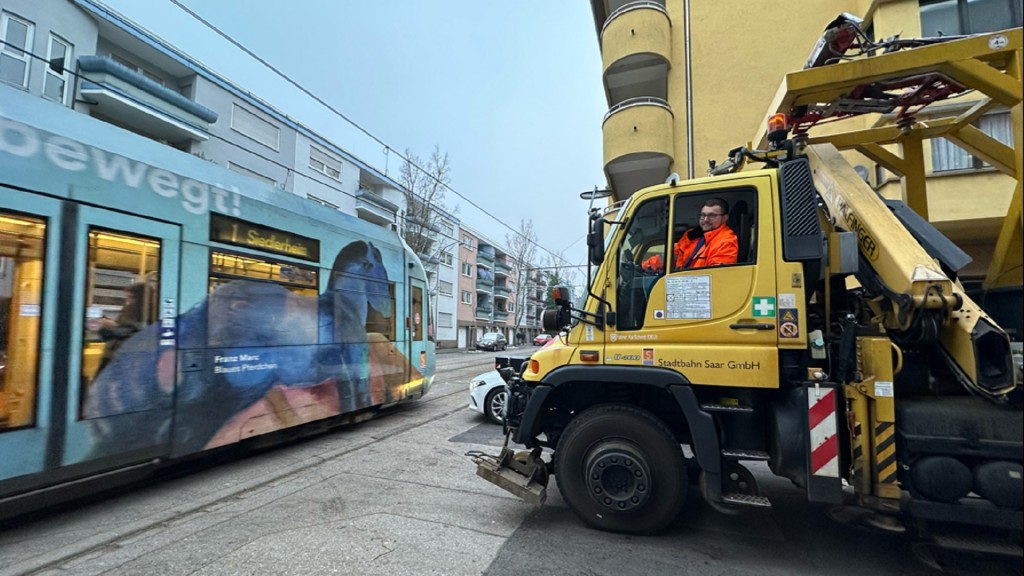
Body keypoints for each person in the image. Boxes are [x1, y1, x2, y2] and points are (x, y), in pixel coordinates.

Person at [643, 198, 739, 273]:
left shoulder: (727, 241)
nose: (705, 219)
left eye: (712, 215)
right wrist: (645, 265)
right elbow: (671, 257)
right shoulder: (691, 236)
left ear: (725, 218)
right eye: (703, 215)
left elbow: (716, 275)